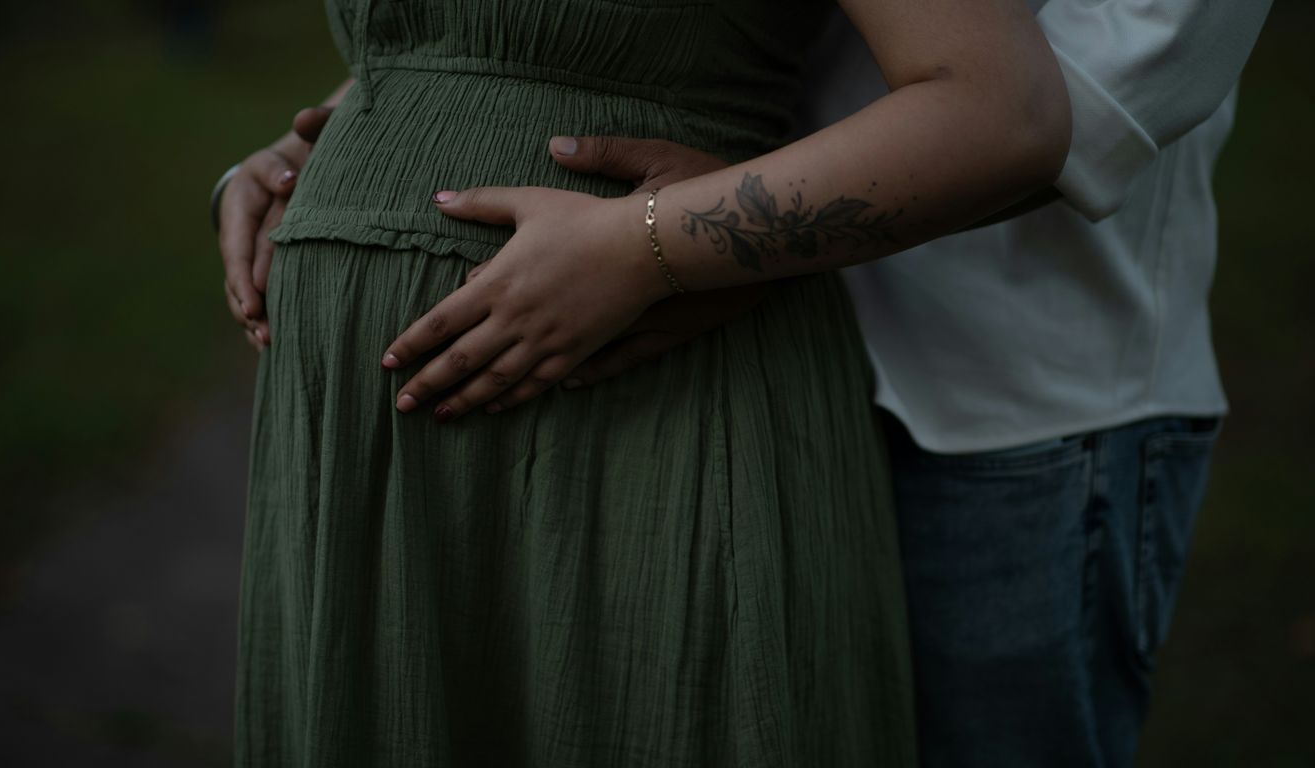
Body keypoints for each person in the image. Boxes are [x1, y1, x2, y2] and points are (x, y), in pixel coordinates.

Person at [219, 2, 1263, 767]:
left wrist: (676, 240)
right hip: (706, 298)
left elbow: (1094, 87)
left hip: (1003, 391)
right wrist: (340, 137)